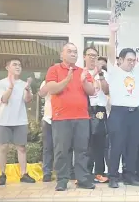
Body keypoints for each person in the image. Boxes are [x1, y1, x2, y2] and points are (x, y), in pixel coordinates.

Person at [106, 22, 139, 188]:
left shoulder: (136, 73)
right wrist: (112, 34)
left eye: (134, 60)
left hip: (134, 114)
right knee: (117, 145)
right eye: (129, 60)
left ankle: (129, 175)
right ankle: (113, 176)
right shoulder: (114, 71)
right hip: (118, 114)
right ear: (121, 60)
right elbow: (111, 53)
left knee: (132, 145)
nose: (132, 63)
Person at [46, 43, 95, 191]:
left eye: (75, 52)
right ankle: (62, 180)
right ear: (62, 54)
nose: (73, 54)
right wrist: (67, 79)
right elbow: (52, 88)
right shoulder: (54, 69)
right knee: (61, 150)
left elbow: (92, 91)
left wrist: (84, 81)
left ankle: (82, 179)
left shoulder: (82, 71)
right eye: (70, 51)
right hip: (61, 118)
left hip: (82, 117)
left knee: (82, 150)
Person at [0, 58, 36, 185]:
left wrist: (27, 89)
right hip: (3, 121)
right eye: (15, 64)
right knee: (3, 147)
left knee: (21, 148)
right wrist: (11, 87)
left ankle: (23, 174)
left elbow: (28, 100)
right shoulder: (0, 83)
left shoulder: (23, 84)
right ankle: (2, 174)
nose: (18, 67)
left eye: (19, 65)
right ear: (7, 67)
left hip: (20, 120)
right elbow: (4, 99)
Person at [84, 47, 110, 183]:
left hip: (100, 109)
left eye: (95, 55)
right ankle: (86, 173)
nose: (93, 58)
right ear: (84, 57)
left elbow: (106, 91)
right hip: (85, 108)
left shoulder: (103, 73)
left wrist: (100, 75)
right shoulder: (81, 73)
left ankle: (99, 172)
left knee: (99, 142)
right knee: (86, 142)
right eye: (90, 55)